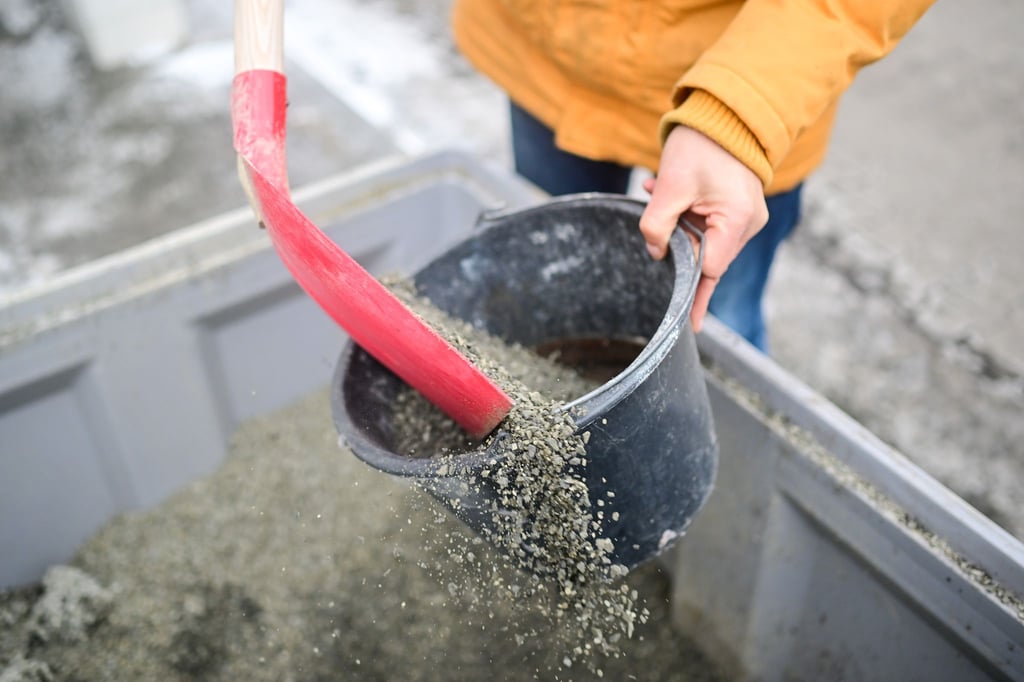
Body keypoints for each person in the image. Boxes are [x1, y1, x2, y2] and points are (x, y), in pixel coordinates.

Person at [451, 0, 935, 351]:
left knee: (719, 328)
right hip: (542, 54)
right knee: (553, 290)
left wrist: (741, 112)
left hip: (748, 100)